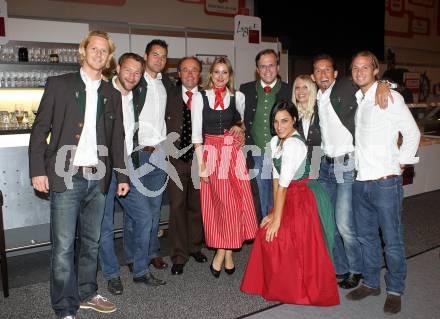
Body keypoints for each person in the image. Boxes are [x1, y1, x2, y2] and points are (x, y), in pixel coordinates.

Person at [29, 30, 129, 319]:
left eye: (104, 51)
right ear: (83, 51)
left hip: (98, 179)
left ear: (109, 57)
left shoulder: (112, 94)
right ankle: (64, 306)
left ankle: (87, 293)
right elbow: (40, 131)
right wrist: (38, 169)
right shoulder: (59, 85)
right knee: (62, 247)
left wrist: (121, 177)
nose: (99, 54)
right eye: (94, 49)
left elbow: (117, 139)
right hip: (65, 175)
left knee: (92, 243)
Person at [240, 101, 339, 306]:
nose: (279, 126)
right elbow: (276, 179)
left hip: (304, 195)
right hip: (288, 194)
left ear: (294, 120)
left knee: (281, 235)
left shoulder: (294, 144)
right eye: (275, 122)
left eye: (284, 121)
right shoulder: (276, 142)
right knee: (267, 232)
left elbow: (284, 184)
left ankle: (294, 287)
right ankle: (272, 283)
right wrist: (274, 212)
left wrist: (277, 219)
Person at [346, 51, 420, 315]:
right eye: (355, 67)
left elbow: (412, 133)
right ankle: (370, 282)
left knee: (392, 239)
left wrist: (401, 163)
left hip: (385, 183)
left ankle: (395, 289)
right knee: (366, 238)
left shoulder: (389, 96)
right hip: (361, 181)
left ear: (376, 70)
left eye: (365, 67)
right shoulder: (361, 98)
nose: (359, 71)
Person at [311, 54, 391, 289]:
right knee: (331, 222)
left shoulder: (347, 86)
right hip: (325, 166)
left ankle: (357, 270)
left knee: (345, 224)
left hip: (347, 165)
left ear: (335, 74)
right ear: (314, 76)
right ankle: (341, 267)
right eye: (318, 71)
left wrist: (387, 84)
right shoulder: (315, 96)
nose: (323, 74)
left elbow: (370, 80)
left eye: (327, 70)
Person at [98, 52, 167, 295]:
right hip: (102, 166)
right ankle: (112, 274)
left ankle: (140, 271)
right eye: (128, 70)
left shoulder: (136, 96)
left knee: (145, 216)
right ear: (117, 68)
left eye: (137, 72)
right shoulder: (103, 93)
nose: (132, 76)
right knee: (104, 224)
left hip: (126, 165)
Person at [191, 57, 258, 277]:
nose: (220, 77)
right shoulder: (200, 97)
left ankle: (223, 253)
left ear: (230, 76)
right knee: (222, 206)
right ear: (211, 74)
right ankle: (224, 253)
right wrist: (203, 167)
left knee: (237, 203)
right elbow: (196, 136)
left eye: (225, 73)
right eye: (217, 72)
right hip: (211, 153)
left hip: (233, 154)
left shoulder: (237, 97)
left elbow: (242, 123)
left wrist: (240, 129)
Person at [131, 39, 173, 271]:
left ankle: (152, 252)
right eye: (155, 54)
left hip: (159, 154)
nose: (159, 59)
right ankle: (132, 256)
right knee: (137, 210)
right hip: (138, 154)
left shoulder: (166, 82)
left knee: (155, 208)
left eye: (163, 56)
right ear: (146, 55)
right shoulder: (135, 81)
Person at [165, 56, 207, 275]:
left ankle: (195, 247)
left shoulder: (208, 97)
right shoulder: (168, 95)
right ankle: (179, 255)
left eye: (194, 70)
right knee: (177, 207)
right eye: (185, 70)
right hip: (175, 160)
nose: (190, 74)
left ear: (199, 74)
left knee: (197, 207)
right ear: (179, 74)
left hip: (200, 160)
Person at [240, 49, 292, 220]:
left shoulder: (289, 89)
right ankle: (265, 235)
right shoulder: (245, 89)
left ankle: (281, 234)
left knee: (282, 195)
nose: (267, 70)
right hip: (257, 152)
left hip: (282, 153)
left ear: (278, 67)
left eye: (271, 65)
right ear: (257, 69)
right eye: (263, 66)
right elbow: (236, 115)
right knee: (262, 196)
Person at [292, 74, 321, 161]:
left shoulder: (321, 110)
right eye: (297, 88)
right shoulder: (291, 114)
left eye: (305, 87)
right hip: (300, 166)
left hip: (322, 166)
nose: (300, 91)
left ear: (312, 90)